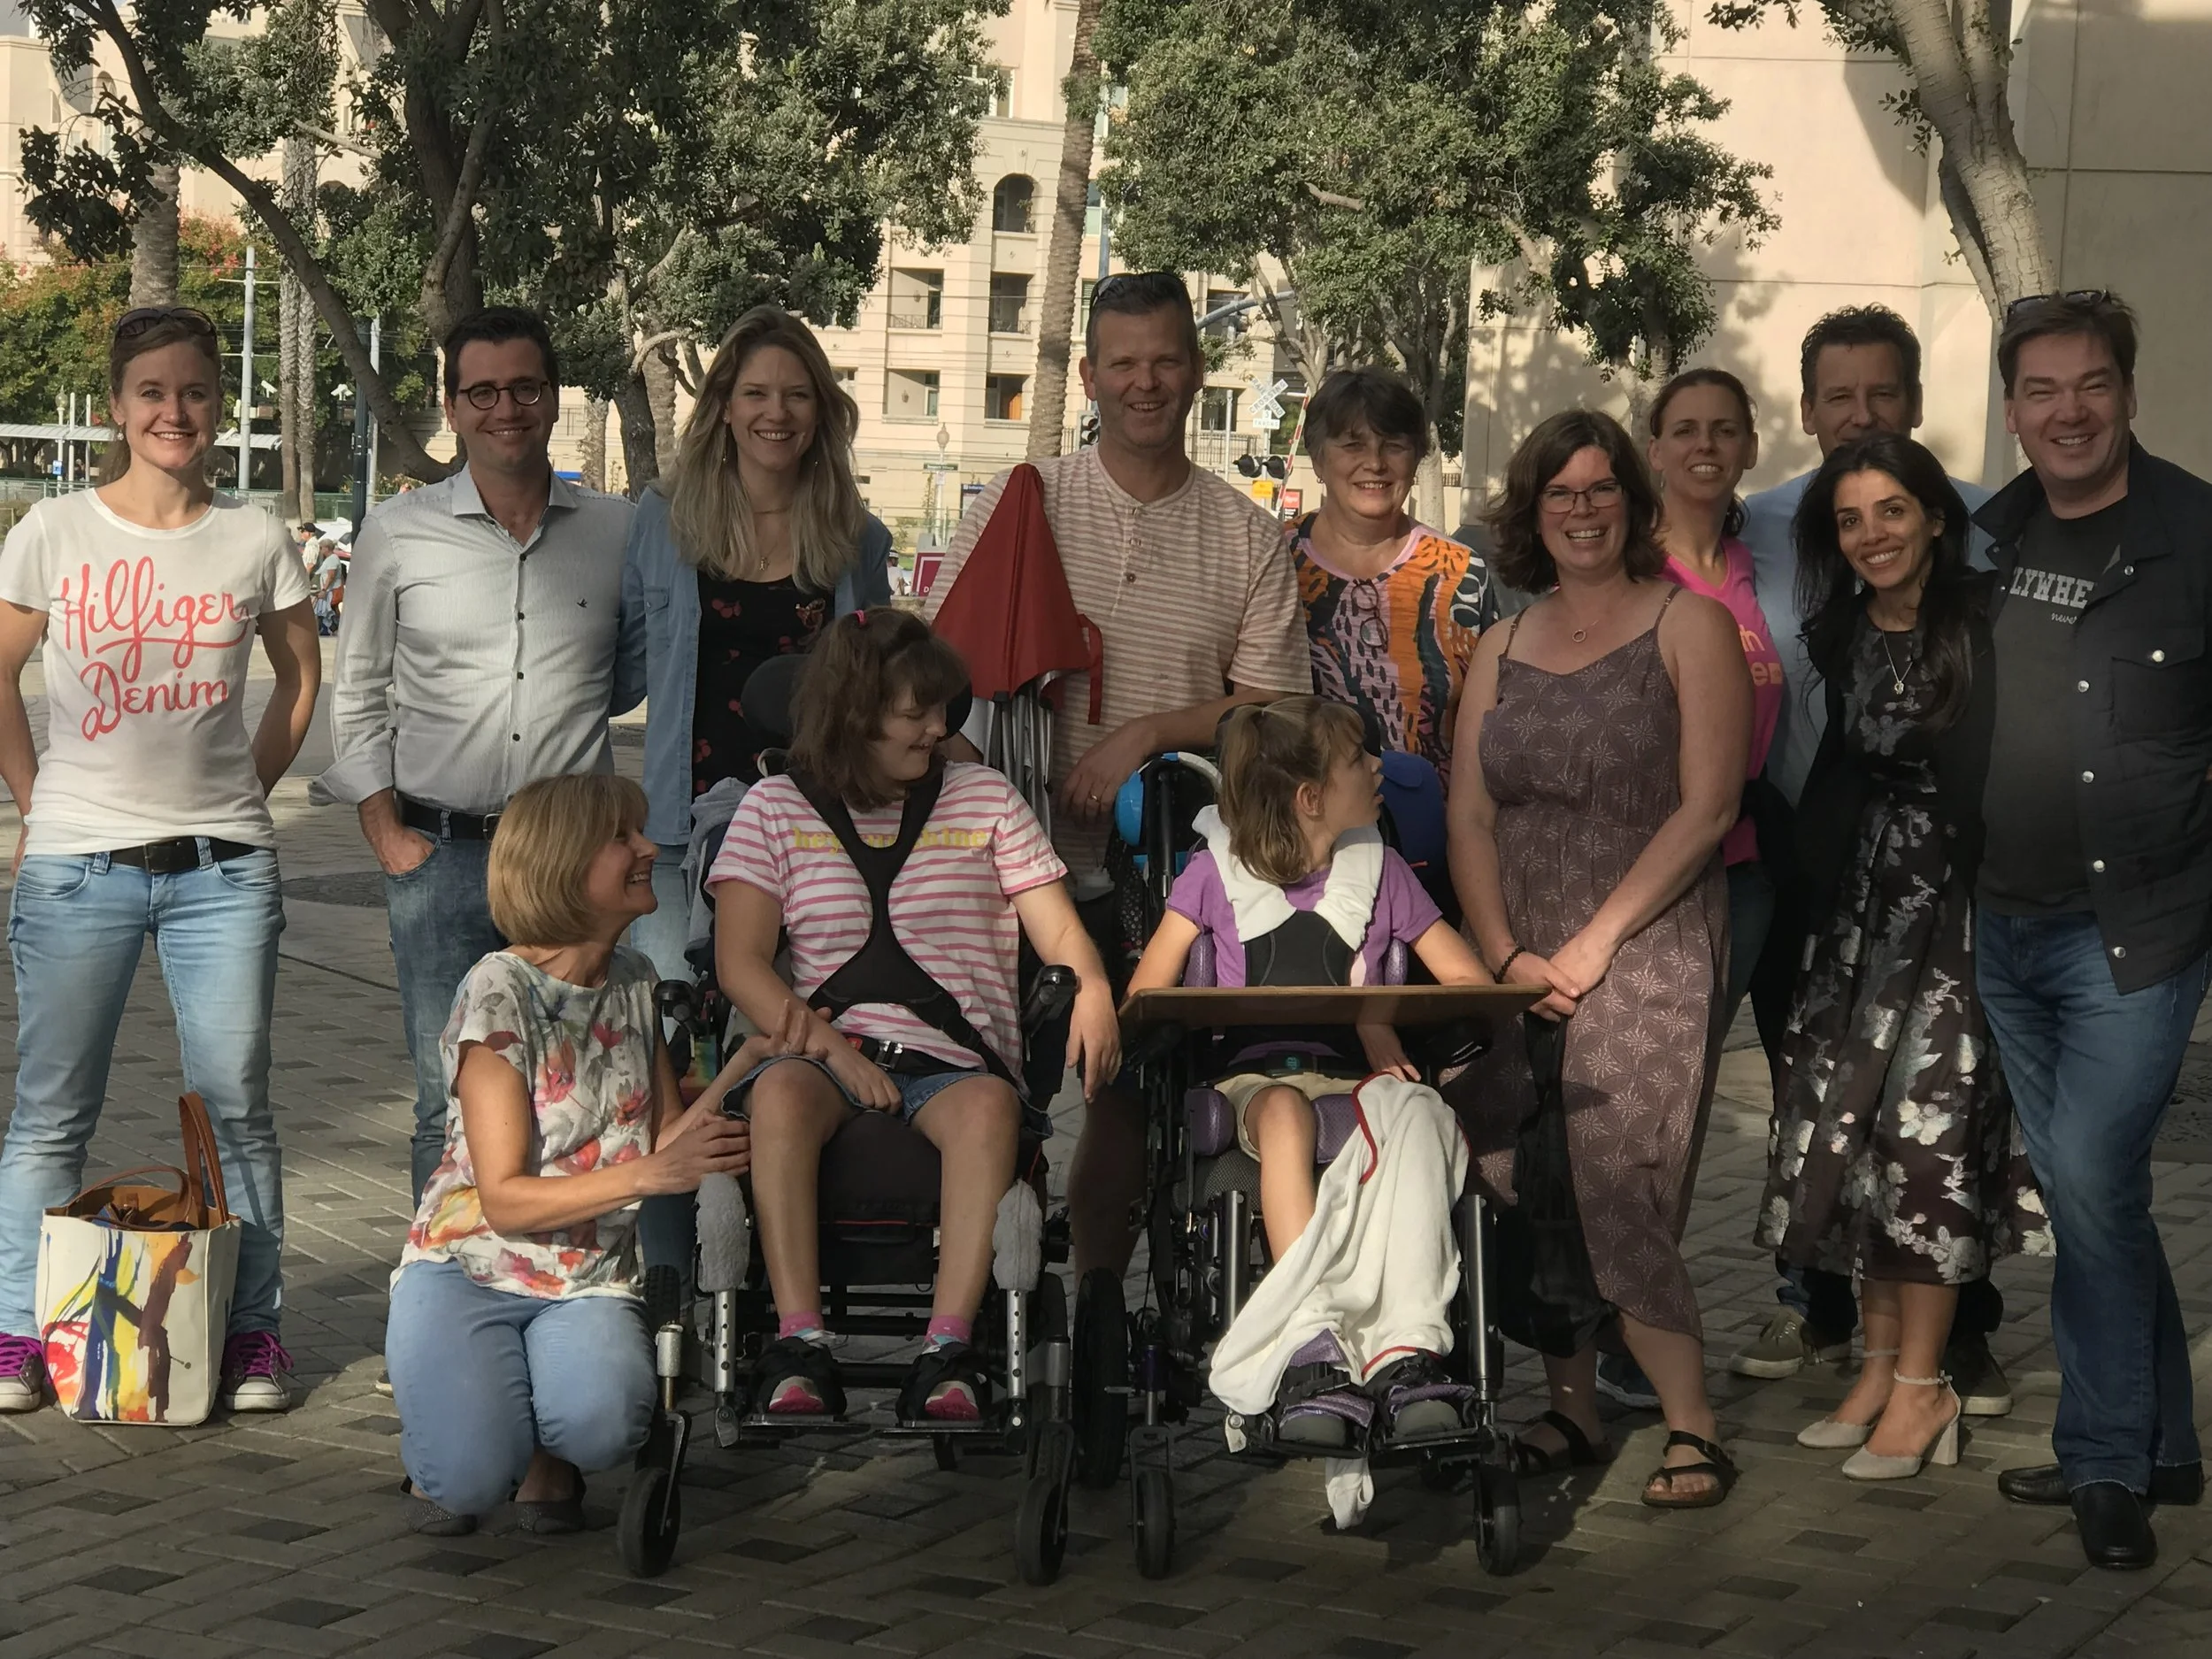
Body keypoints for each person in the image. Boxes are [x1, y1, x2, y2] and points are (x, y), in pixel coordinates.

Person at [921, 271, 1310, 1278]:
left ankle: (1093, 1307)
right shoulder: (1023, 502)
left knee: (1129, 1097)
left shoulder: (1245, 534)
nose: (1147, 383)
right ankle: (994, 1314)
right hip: (1011, 867)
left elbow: (1277, 710)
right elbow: (932, 686)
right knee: (997, 1092)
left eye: (1167, 360)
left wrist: (1148, 733)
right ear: (1089, 375)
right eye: (1125, 363)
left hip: (1166, 878)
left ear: (1196, 368)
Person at [0, 306, 321, 1414]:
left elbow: (301, 679)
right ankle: (14, 1333)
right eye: (151, 393)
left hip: (221, 875)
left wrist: (246, 789)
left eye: (193, 391)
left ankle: (250, 1336)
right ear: (118, 407)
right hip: (78, 869)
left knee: (237, 1106)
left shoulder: (254, 538)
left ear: (218, 405)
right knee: (51, 1109)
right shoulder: (54, 529)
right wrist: (38, 806)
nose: (173, 412)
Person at [1448, 410, 1749, 1507]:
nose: (1580, 511)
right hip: (1518, 947)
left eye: (1599, 490)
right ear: (1532, 513)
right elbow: (1470, 815)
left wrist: (1587, 944)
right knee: (1522, 1171)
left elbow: (1709, 806)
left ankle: (1691, 1424)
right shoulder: (1502, 643)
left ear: (1633, 500)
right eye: (1558, 494)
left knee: (1619, 1169)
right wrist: (1500, 952)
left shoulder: (1688, 625)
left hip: (1650, 939)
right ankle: (1570, 1409)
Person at [710, 611, 1120, 1422]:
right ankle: (799, 1339)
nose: (941, 727)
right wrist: (834, 1050)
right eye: (917, 711)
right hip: (823, 1058)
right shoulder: (773, 809)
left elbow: (1059, 928)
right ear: (854, 710)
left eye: (944, 709)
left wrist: (1097, 987)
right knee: (782, 1092)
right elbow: (740, 964)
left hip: (956, 1064)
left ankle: (948, 1347)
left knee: (990, 1104)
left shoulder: (986, 799)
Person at [1971, 293, 2212, 1571]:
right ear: (2014, 407)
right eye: (2042, 389)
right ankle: (2168, 1438)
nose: (2068, 411)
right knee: (2097, 1186)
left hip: (2140, 928)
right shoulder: (1985, 536)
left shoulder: (2198, 535)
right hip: (2002, 927)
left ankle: (2106, 1456)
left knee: (2088, 1183)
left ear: (2129, 389)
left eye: (2092, 384)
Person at [1758, 433, 2048, 1480]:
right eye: (1849, 518)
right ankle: (1878, 1369)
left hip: (1959, 914)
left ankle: (1927, 1389)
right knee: (1854, 1144)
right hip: (1858, 918)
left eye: (1891, 511)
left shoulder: (1984, 621)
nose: (1871, 534)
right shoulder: (1839, 631)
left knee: (1926, 1147)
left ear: (1933, 516)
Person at [1732, 304, 2008, 1405]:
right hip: (1812, 862)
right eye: (1837, 397)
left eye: (1880, 395)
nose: (1858, 416)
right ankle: (1826, 1314)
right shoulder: (1754, 524)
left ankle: (1954, 1334)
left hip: (1946, 880)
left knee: (1939, 1112)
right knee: (1825, 1104)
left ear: (1915, 404)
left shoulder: (1988, 529)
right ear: (1805, 410)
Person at [386, 774, 777, 1535]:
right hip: (471, 1266)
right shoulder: (499, 988)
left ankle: (539, 1444)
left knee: (603, 1426)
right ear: (565, 863)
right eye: (624, 837)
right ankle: (449, 1433)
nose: (648, 848)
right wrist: (650, 1175)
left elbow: (664, 1136)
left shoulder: (632, 978)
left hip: (586, 1275)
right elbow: (503, 1197)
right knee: (465, 1482)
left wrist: (747, 1062)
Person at [324, 307, 639, 1205]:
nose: (508, 408)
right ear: (453, 406)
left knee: (582, 1083)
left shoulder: (618, 534)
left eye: (525, 387)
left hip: (576, 867)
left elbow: (628, 673)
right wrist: (385, 832)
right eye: (484, 391)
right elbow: (359, 688)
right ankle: (446, 1300)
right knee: (445, 1098)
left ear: (552, 395)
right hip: (443, 858)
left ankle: (565, 1292)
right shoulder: (398, 531)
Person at [1126, 695, 1492, 1445]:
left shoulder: (1382, 872)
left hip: (1355, 1079)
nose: (1379, 767)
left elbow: (1467, 980)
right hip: (1250, 1083)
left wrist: (1373, 1010)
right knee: (1287, 1112)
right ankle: (1307, 1337)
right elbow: (1147, 992)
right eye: (1360, 757)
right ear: (1311, 795)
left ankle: (1408, 1348)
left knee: (1423, 1112)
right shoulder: (1211, 873)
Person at [1581, 367, 1785, 1417]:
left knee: (1688, 1105)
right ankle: (1620, 1331)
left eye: (1723, 431)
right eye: (1682, 431)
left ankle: (1642, 1320)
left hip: (1742, 871)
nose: (1704, 447)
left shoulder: (1757, 567)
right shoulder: (1633, 567)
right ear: (1651, 449)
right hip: (1642, 877)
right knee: (1639, 1112)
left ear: (1750, 446)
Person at [620, 304, 893, 980]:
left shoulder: (856, 537)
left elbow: (879, 683)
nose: (778, 412)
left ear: (821, 411)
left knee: (795, 1030)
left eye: (798, 394)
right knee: (673, 1026)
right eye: (757, 393)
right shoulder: (664, 518)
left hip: (817, 823)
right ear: (724, 408)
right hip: (682, 825)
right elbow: (620, 667)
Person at [1289, 366, 1496, 784]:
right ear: (1318, 458)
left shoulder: (1462, 574)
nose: (1375, 463)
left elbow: (1491, 722)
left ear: (1417, 457)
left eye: (1394, 446)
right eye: (1353, 444)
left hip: (1430, 832)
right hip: (1295, 833)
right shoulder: (1273, 561)